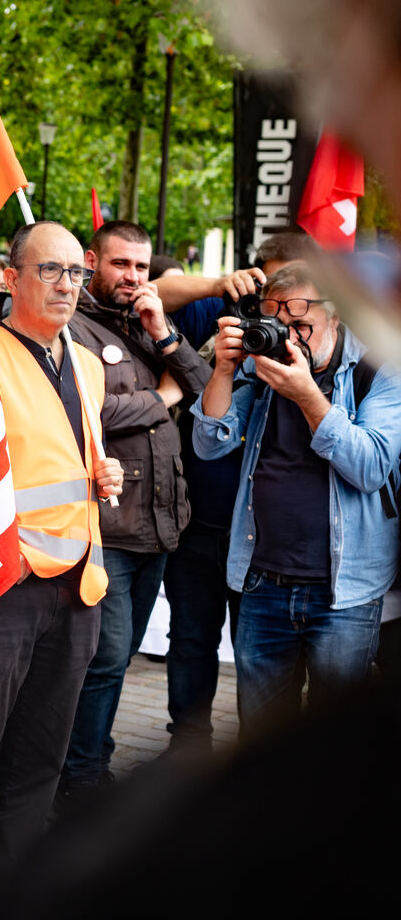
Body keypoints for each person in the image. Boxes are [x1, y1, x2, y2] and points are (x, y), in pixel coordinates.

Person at [0, 221, 124, 920]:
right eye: (51, 270)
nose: (68, 284)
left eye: (77, 272)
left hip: (78, 588)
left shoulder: (88, 362)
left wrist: (101, 472)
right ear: (11, 278)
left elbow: (60, 459)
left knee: (39, 768)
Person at [193, 261, 401, 735]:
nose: (288, 338)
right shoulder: (261, 369)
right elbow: (209, 445)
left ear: (336, 316)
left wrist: (308, 397)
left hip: (344, 591)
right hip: (262, 581)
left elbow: (370, 467)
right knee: (261, 734)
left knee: (334, 738)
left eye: (301, 325)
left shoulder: (379, 371)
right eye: (276, 323)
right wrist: (223, 370)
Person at [58, 221, 211, 803]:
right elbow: (88, 411)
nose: (132, 276)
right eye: (120, 264)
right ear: (91, 261)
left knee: (118, 659)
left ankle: (89, 764)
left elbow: (203, 385)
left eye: (141, 267)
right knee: (105, 659)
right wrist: (163, 397)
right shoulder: (73, 326)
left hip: (160, 523)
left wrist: (164, 334)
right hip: (109, 525)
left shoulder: (146, 323)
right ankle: (80, 779)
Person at [160, 231, 318, 753]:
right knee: (191, 639)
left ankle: (265, 763)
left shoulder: (324, 345)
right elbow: (151, 295)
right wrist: (217, 286)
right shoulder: (228, 311)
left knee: (268, 657)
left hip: (267, 538)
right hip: (202, 521)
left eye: (297, 290)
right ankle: (188, 752)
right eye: (273, 287)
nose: (282, 306)